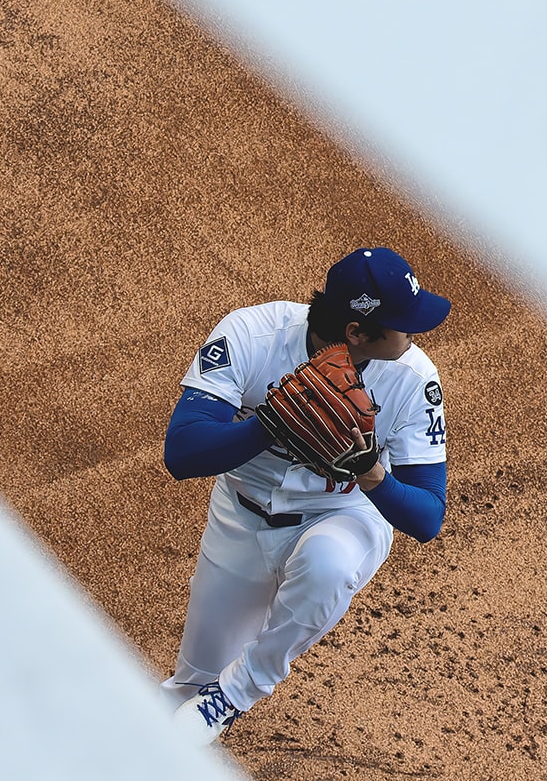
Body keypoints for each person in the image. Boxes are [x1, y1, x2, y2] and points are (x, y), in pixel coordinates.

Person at [159, 247, 452, 744]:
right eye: (403, 323)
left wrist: (373, 475)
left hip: (343, 513)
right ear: (357, 333)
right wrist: (271, 424)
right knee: (185, 694)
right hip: (241, 519)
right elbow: (182, 452)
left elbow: (427, 517)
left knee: (328, 565)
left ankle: (237, 692)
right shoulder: (253, 335)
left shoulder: (412, 376)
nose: (415, 333)